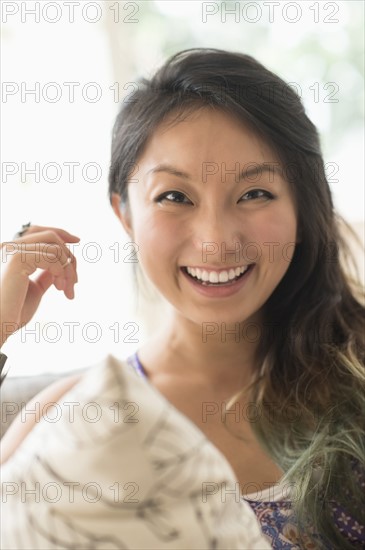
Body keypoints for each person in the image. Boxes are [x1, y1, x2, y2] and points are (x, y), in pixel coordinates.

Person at [1, 48, 364, 549]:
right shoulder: (71, 422)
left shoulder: (356, 373)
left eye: (255, 193)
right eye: (175, 197)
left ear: (303, 209)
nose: (216, 242)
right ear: (124, 215)